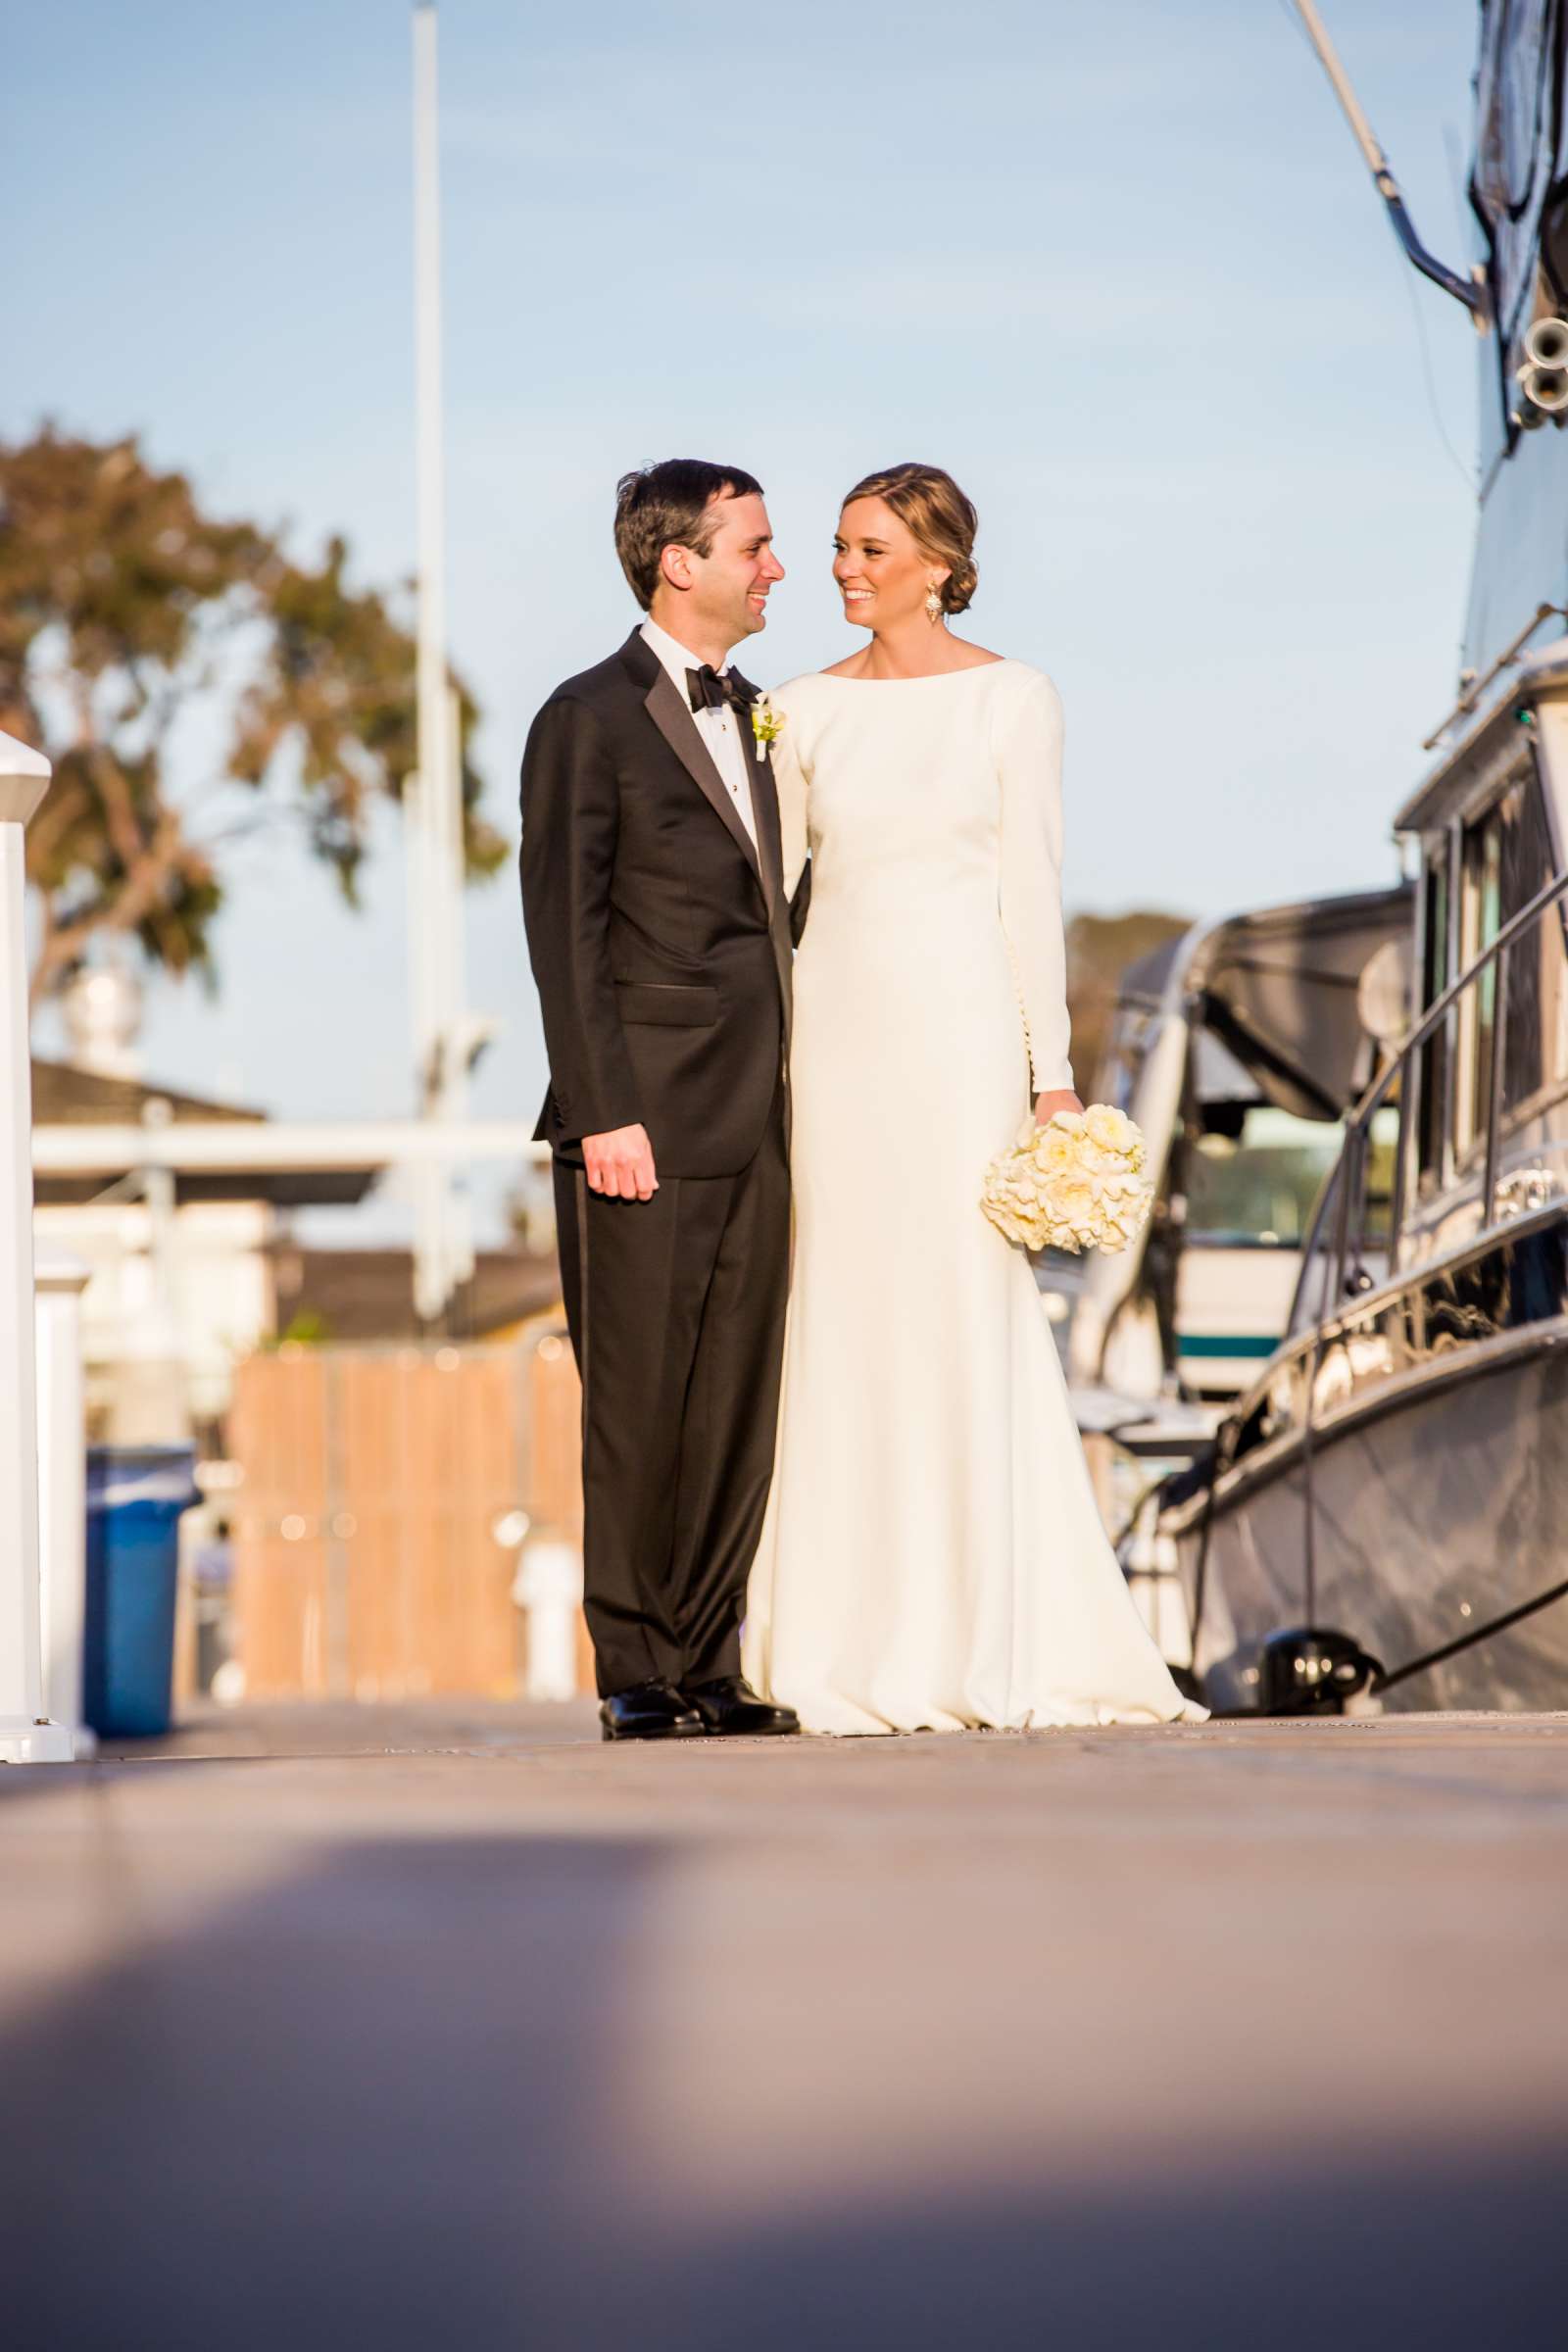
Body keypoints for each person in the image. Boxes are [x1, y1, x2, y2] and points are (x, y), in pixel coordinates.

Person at [742, 463, 1202, 1734]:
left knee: (959, 1304)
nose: (842, 568)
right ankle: (839, 1645)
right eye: (836, 546)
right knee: (839, 1312)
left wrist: (1050, 1080)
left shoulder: (1014, 698)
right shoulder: (796, 711)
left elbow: (1028, 897)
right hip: (832, 1043)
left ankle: (990, 1635)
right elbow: (771, 909)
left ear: (937, 562)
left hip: (958, 1048)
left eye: (869, 547)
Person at [520, 460, 805, 1741]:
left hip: (761, 1117)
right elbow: (563, 929)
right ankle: (635, 1668)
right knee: (638, 1404)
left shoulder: (759, 713)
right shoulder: (584, 717)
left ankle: (710, 1663)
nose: (777, 567)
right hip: (639, 1121)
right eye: (754, 544)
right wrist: (602, 1110)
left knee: (733, 1402)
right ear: (677, 561)